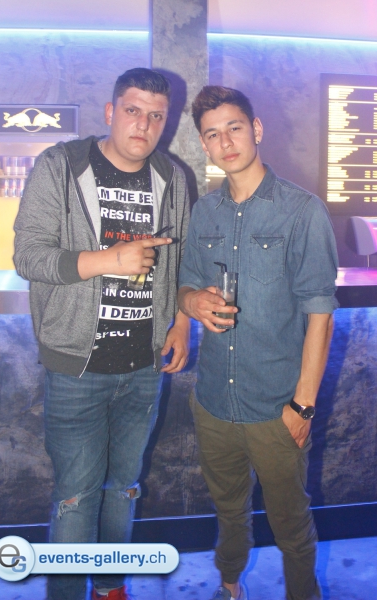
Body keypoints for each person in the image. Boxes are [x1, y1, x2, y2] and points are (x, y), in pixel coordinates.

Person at [14, 68, 190, 600]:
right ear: (111, 112)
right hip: (76, 364)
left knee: (124, 489)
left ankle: (110, 586)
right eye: (133, 110)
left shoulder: (172, 177)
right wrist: (109, 260)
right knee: (76, 496)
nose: (144, 124)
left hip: (144, 366)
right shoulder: (61, 165)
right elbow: (28, 255)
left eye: (156, 115)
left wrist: (181, 323)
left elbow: (182, 260)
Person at [178, 86, 338, 600]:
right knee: (228, 511)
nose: (225, 142)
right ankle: (229, 587)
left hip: (277, 407)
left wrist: (303, 405)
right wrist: (191, 302)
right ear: (203, 143)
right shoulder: (204, 213)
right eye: (212, 134)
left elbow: (320, 316)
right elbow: (184, 285)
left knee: (291, 524)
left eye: (234, 128)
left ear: (257, 129)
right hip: (214, 403)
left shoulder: (302, 211)